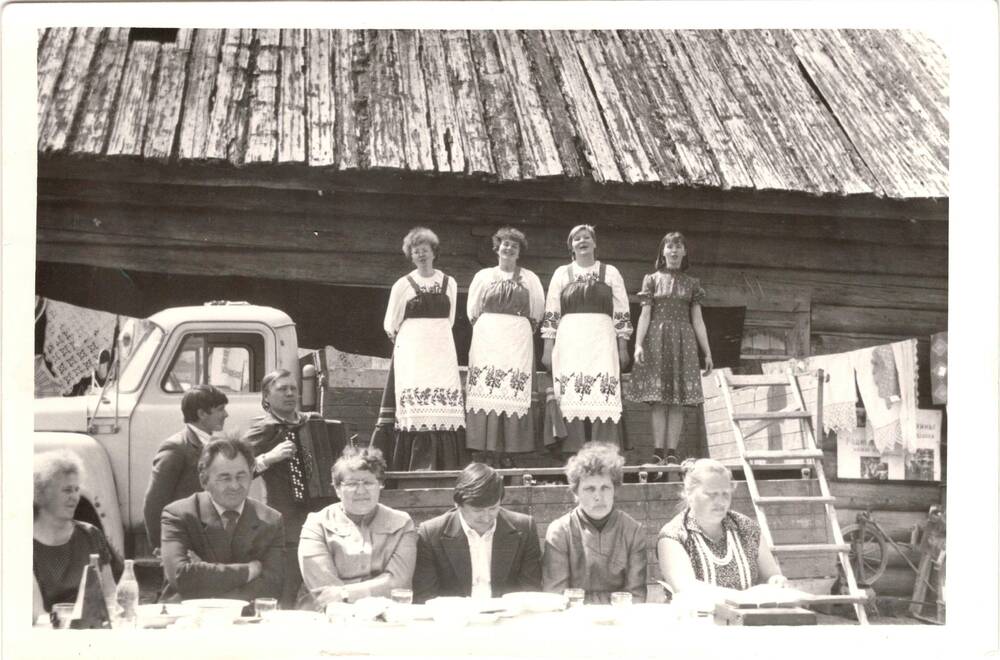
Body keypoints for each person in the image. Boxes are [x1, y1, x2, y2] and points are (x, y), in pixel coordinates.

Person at [243, 369, 340, 608]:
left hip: (322, 511)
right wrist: (269, 458)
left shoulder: (314, 421)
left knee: (325, 586)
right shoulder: (263, 429)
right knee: (287, 586)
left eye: (293, 389)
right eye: (282, 389)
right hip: (286, 516)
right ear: (266, 396)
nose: (289, 393)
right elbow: (239, 470)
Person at [371, 227, 466, 471]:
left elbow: (451, 318)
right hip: (413, 348)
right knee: (414, 403)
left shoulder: (449, 283)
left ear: (434, 252)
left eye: (425, 250)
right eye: (416, 252)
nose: (421, 255)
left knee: (443, 400)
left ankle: (446, 462)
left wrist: (435, 337)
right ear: (410, 256)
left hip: (441, 348)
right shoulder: (403, 285)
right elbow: (390, 324)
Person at [160, 438, 284, 606]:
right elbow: (181, 577)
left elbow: (272, 585)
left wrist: (204, 572)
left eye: (241, 476)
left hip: (246, 621)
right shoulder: (179, 515)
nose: (234, 485)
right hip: (187, 619)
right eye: (224, 478)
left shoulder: (270, 520)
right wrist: (249, 570)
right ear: (204, 481)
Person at [541, 225, 632, 451]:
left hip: (602, 342)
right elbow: (551, 312)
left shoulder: (610, 273)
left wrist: (622, 347)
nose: (582, 241)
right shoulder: (562, 273)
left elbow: (622, 312)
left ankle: (604, 451)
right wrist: (547, 347)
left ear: (594, 243)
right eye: (577, 239)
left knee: (601, 393)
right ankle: (573, 452)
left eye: (587, 237)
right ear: (571, 246)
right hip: (570, 342)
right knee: (572, 393)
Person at [630, 232, 713, 470]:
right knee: (658, 400)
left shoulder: (692, 284)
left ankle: (673, 454)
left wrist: (707, 352)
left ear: (684, 252)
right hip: (656, 340)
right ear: (663, 252)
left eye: (679, 247)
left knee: (677, 401)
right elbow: (645, 315)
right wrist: (638, 345)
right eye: (669, 247)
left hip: (683, 342)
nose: (674, 251)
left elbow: (698, 320)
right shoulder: (652, 280)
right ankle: (658, 453)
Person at [297, 446, 416, 610]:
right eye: (352, 484)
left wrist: (345, 594)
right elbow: (323, 589)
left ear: (380, 485)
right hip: (323, 612)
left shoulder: (402, 523)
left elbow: (398, 582)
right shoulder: (316, 523)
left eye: (368, 482)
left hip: (384, 611)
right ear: (337, 489)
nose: (361, 491)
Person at [465, 227, 546, 462]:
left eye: (514, 245)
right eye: (505, 244)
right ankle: (486, 449)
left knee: (513, 389)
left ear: (519, 252)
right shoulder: (483, 276)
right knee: (488, 388)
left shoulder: (530, 278)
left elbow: (537, 311)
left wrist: (518, 328)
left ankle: (511, 450)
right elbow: (472, 310)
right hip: (488, 338)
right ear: (497, 248)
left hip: (517, 340)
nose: (509, 248)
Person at [413, 463, 542, 603]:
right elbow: (425, 598)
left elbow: (530, 591)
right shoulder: (431, 534)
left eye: (493, 508)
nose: (486, 518)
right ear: (457, 504)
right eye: (477, 510)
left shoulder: (525, 528)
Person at [657, 459, 786, 594]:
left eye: (725, 493)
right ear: (689, 494)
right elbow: (687, 589)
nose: (720, 501)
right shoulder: (673, 535)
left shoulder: (747, 528)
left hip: (748, 614)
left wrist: (776, 581)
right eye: (712, 494)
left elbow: (771, 575)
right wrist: (743, 598)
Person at [542, 443, 647, 604]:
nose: (598, 496)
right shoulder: (560, 532)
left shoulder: (633, 531)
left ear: (615, 490)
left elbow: (636, 597)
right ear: (575, 492)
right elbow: (556, 597)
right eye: (590, 489)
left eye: (605, 488)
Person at [33, 451, 123, 612]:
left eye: (76, 489)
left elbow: (110, 595)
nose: (75, 497)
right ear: (42, 492)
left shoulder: (90, 534)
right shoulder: (20, 542)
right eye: (67, 490)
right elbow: (35, 614)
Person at [143, 384, 229, 551]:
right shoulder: (176, 448)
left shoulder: (215, 444)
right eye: (220, 409)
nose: (226, 414)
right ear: (202, 414)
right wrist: (161, 546)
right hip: (183, 542)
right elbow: (154, 503)